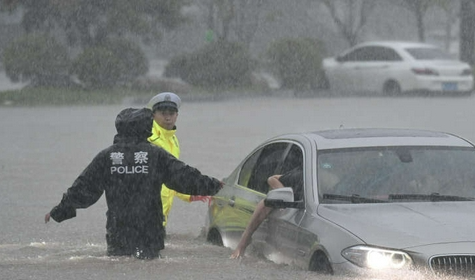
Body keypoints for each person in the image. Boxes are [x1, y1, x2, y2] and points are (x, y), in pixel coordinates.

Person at [45, 107, 224, 259]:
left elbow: (84, 188)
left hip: (118, 230)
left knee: (120, 266)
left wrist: (59, 210)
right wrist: (216, 186)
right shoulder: (155, 155)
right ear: (146, 127)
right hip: (150, 231)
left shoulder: (107, 157)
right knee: (149, 270)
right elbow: (185, 177)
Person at [146, 92, 208, 228]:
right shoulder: (148, 138)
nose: (168, 117)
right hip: (146, 210)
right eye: (163, 113)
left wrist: (190, 194)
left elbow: (173, 176)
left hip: (161, 214)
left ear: (177, 116)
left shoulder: (173, 140)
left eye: (171, 113)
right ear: (153, 115)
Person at [230, 166, 303, 259]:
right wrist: (283, 194)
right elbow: (272, 179)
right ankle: (244, 241)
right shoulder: (301, 175)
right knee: (266, 203)